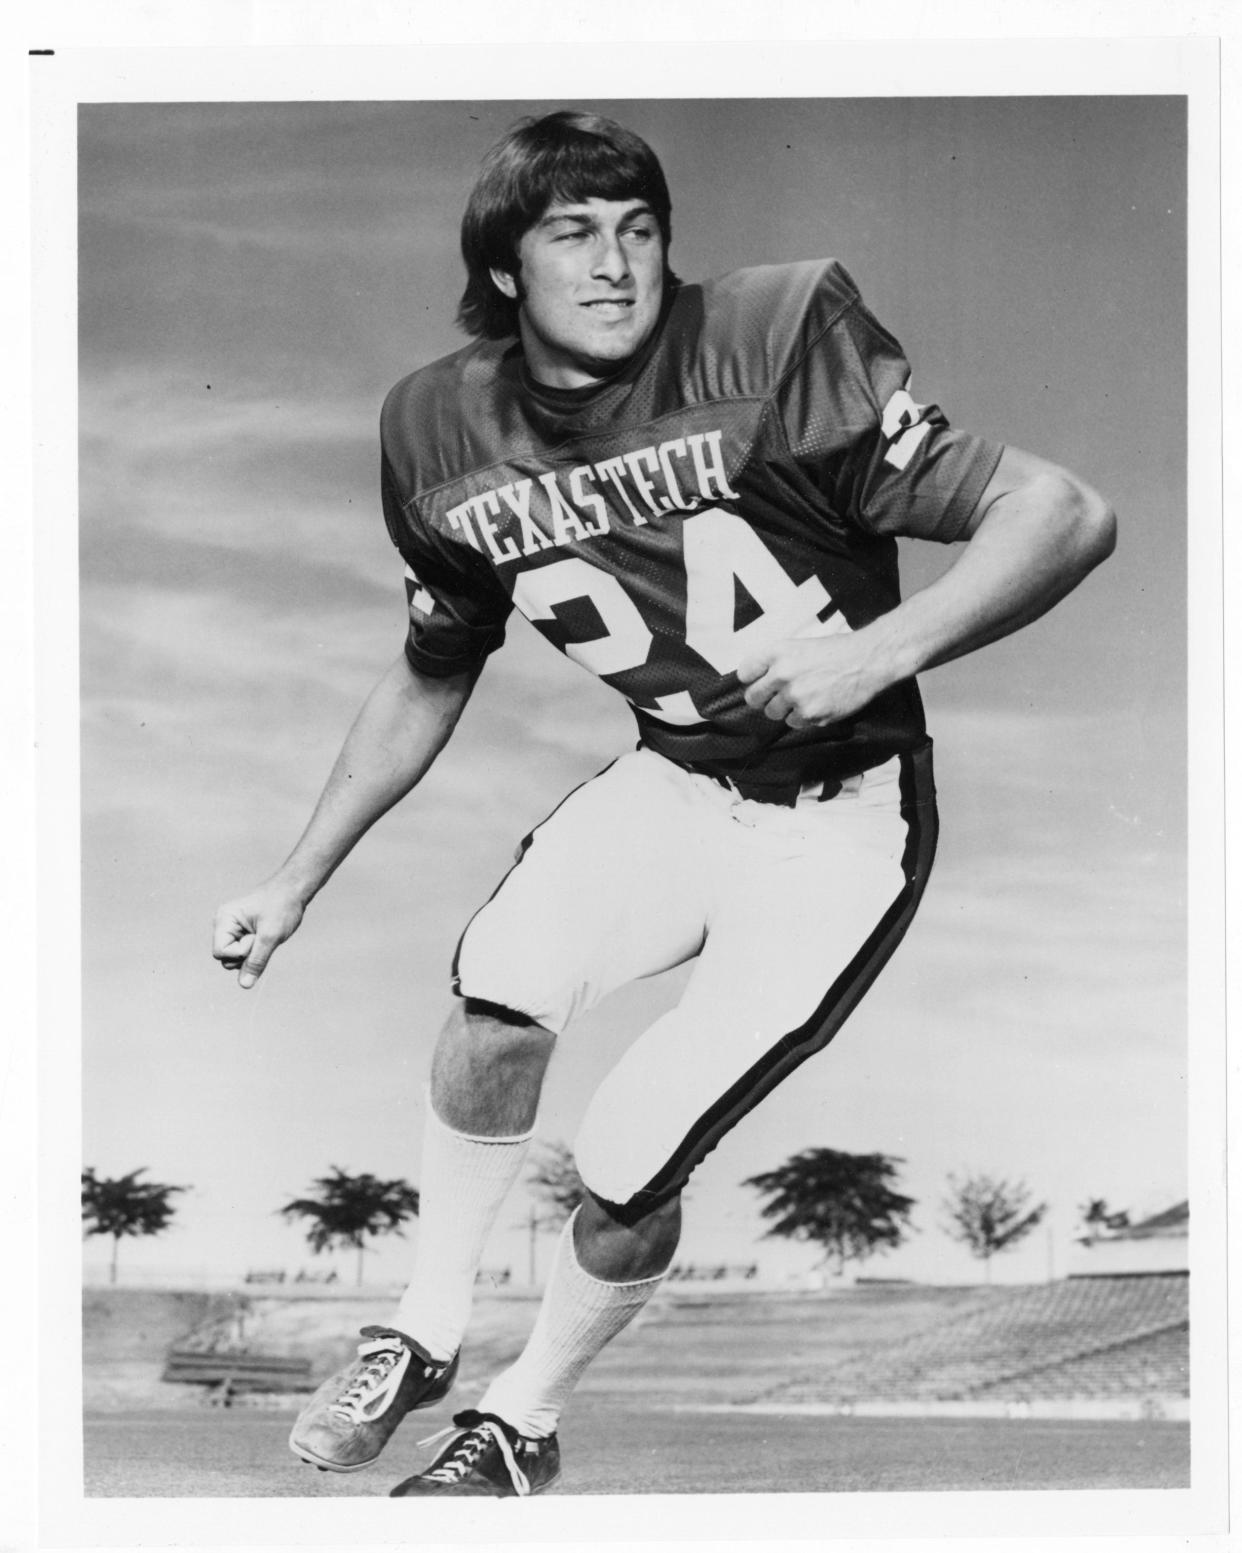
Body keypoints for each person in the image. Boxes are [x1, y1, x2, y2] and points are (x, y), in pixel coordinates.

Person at [212, 110, 1115, 1498]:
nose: (617, 262)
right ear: (504, 271)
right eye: (572, 234)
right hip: (676, 779)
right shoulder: (437, 426)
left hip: (839, 815)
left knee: (629, 1151)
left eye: (639, 228)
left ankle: (522, 1415)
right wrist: (295, 879)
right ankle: (425, 1323)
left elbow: (1060, 509)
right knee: (497, 991)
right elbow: (429, 666)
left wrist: (874, 650)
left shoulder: (769, 339)